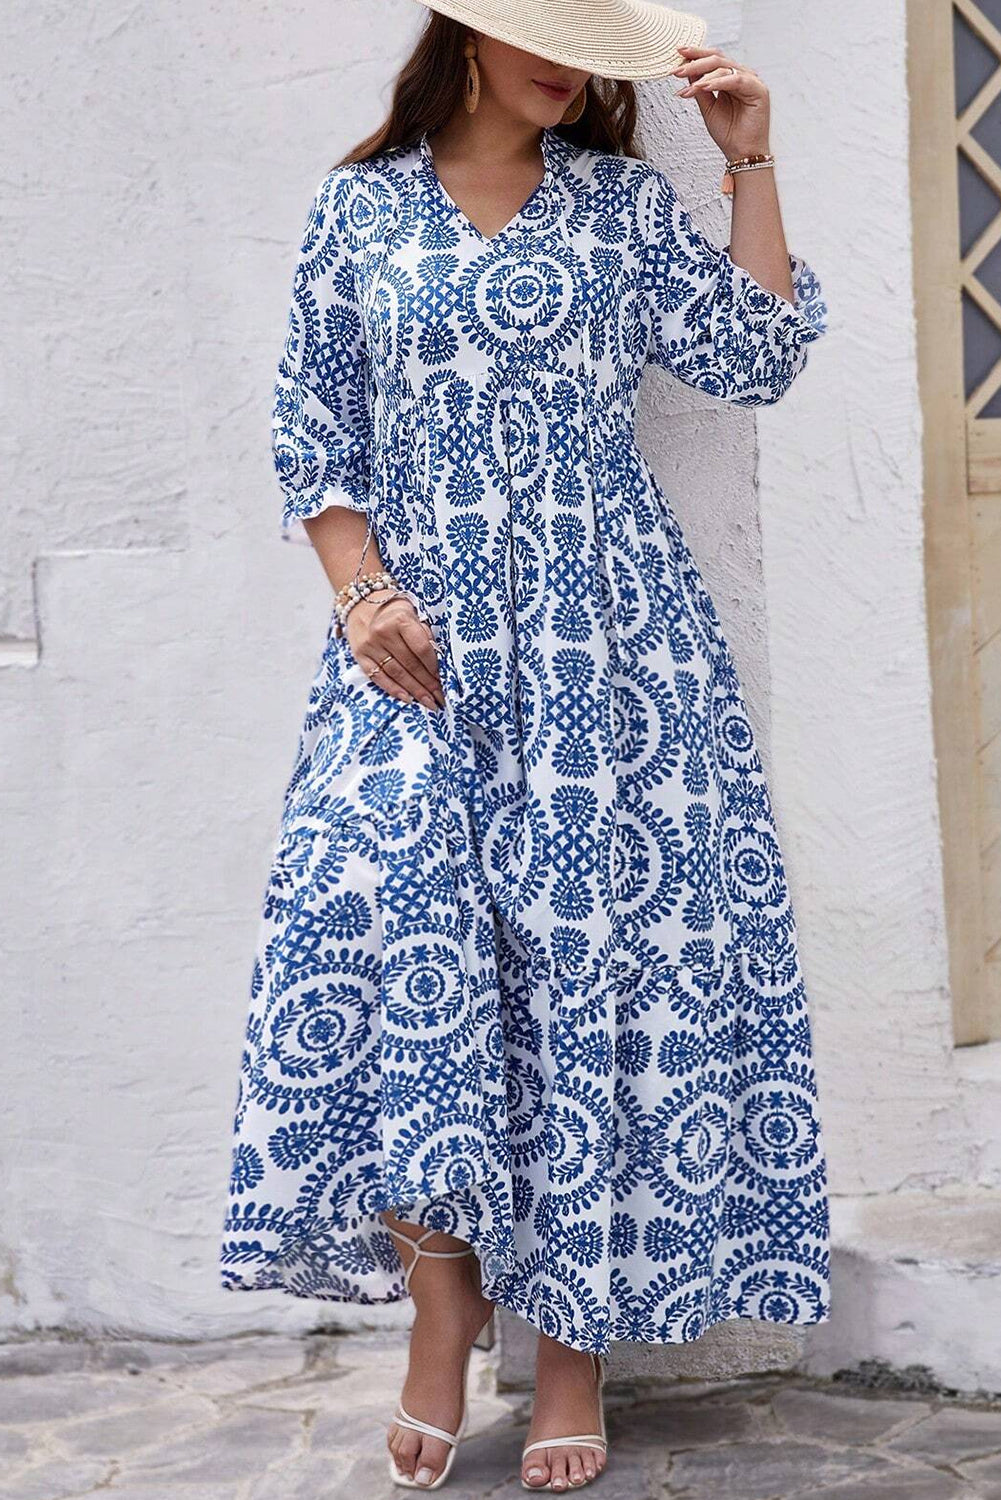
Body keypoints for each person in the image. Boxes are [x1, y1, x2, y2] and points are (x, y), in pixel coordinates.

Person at [219, 0, 832, 1489]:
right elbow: (312, 427)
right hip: (418, 646)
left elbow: (755, 356)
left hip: (609, 641)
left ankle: (571, 1351)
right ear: (471, 34)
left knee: (590, 972)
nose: (566, 58)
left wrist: (748, 161)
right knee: (391, 952)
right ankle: (442, 1323)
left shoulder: (620, 203)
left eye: (587, 34)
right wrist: (361, 593)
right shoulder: (359, 208)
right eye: (541, 25)